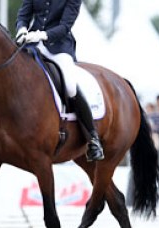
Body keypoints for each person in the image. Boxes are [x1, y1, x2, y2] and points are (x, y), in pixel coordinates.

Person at [16, 0, 104, 161]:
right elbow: (23, 14)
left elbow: (65, 26)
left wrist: (43, 35)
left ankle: (92, 138)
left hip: (58, 47)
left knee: (70, 86)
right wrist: (21, 28)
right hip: (31, 44)